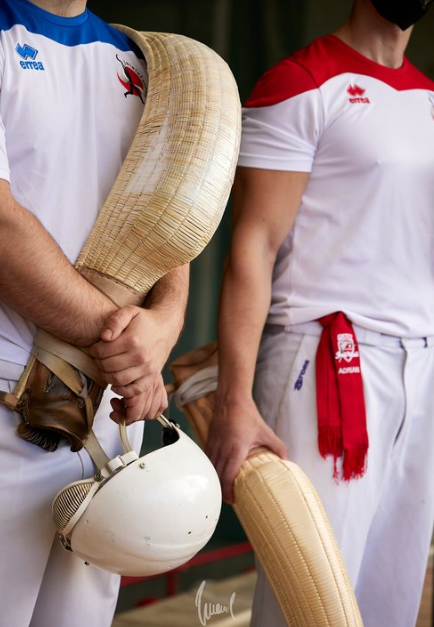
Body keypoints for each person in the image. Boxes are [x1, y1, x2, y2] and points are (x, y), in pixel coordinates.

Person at [207, 1, 434, 626]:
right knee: (311, 606)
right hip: (327, 357)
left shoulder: (427, 96)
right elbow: (252, 245)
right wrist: (234, 399)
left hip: (421, 360)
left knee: (392, 596)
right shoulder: (301, 82)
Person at [0, 1, 189, 626]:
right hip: (10, 399)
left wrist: (165, 323)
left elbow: (177, 202)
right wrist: (127, 349)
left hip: (107, 415)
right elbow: (2, 228)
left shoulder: (139, 61)